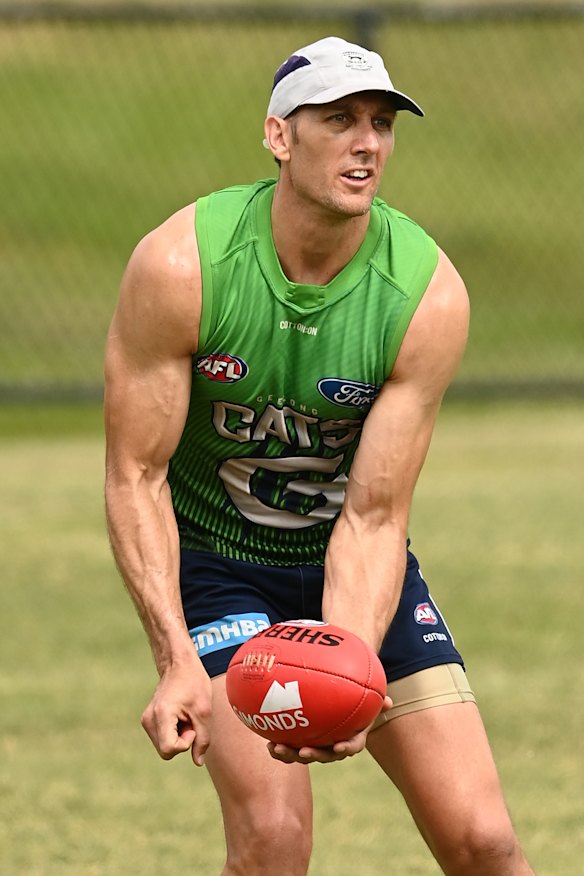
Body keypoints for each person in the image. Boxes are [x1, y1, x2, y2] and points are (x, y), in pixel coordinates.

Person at [104, 36, 534, 876]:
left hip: (353, 556)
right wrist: (175, 656)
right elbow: (136, 476)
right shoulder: (184, 264)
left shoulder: (424, 292)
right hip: (219, 566)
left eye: (381, 124)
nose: (366, 143)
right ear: (279, 136)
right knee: (274, 838)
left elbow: (374, 515)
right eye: (338, 121)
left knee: (484, 842)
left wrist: (348, 662)